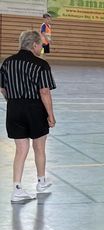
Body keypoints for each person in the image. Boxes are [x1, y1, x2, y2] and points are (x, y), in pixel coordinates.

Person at [1, 30, 57, 203]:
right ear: (34, 45)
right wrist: (51, 115)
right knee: (39, 147)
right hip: (34, 109)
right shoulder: (41, 64)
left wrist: (12, 100)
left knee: (21, 149)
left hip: (14, 109)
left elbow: (2, 88)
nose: (41, 48)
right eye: (40, 45)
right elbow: (44, 92)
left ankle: (17, 189)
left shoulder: (7, 62)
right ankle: (41, 182)